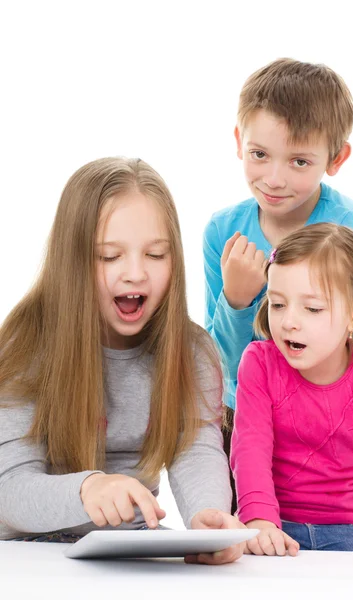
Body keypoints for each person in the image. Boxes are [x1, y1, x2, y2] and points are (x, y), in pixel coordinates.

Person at [0, 157, 245, 565]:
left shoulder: (192, 352)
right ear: (72, 261)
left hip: (132, 551)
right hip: (29, 555)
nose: (135, 273)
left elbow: (196, 451)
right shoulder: (25, 344)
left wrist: (210, 516)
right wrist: (87, 490)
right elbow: (9, 488)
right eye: (110, 256)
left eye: (155, 254)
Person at [203, 58, 353, 511]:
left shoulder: (350, 227)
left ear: (336, 158)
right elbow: (215, 360)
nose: (275, 178)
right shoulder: (223, 231)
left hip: (322, 416)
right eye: (259, 154)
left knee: (322, 534)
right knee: (241, 538)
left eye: (300, 161)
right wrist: (238, 301)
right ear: (239, 141)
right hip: (239, 415)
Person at [231, 222, 353, 554]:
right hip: (274, 524)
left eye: (312, 309)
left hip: (351, 531)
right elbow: (250, 446)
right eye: (277, 304)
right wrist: (260, 521)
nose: (289, 321)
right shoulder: (259, 362)